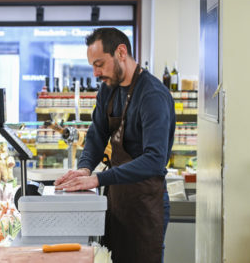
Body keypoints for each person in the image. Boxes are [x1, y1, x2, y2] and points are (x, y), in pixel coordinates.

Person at [54, 28, 175, 263]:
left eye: (99, 64)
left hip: (145, 205)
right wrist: (86, 168)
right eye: (92, 65)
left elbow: (154, 159)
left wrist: (98, 179)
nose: (96, 73)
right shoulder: (107, 90)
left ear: (121, 52)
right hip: (116, 201)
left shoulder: (152, 95)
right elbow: (97, 134)